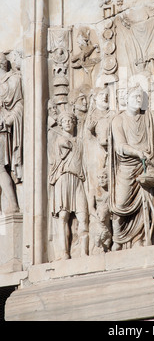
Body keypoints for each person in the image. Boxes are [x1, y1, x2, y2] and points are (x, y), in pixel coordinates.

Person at [109, 83, 154, 250]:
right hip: (127, 167)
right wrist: (137, 152)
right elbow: (120, 146)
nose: (138, 100)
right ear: (126, 99)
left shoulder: (146, 117)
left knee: (146, 201)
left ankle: (138, 239)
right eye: (135, 96)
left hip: (144, 165)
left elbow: (152, 141)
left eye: (140, 98)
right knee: (120, 204)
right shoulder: (118, 120)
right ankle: (117, 239)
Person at [48, 110, 89, 260]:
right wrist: (65, 143)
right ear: (60, 124)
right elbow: (61, 146)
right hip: (63, 178)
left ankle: (84, 251)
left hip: (78, 180)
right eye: (65, 121)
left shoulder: (79, 141)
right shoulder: (59, 139)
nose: (68, 123)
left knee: (83, 216)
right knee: (63, 216)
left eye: (70, 121)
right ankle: (64, 252)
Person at [0, 52, 23, 214]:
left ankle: (13, 204)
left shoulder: (13, 80)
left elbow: (20, 106)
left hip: (3, 130)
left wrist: (9, 118)